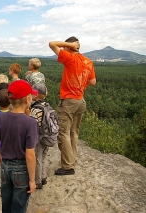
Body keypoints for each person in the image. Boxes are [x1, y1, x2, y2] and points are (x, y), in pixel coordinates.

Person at [49, 36, 96, 175]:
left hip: (69, 101)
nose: (62, 49)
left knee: (63, 133)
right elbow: (92, 82)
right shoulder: (88, 61)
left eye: (65, 47)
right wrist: (81, 82)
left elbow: (51, 44)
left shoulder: (70, 58)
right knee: (74, 132)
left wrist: (69, 45)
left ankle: (67, 166)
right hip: (81, 101)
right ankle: (71, 159)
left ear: (70, 47)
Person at [0, 80, 38, 213]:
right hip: (22, 169)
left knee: (6, 203)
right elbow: (30, 155)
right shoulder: (30, 123)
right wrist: (33, 180)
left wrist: (0, 160)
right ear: (27, 99)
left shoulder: (0, 118)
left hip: (5, 165)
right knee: (19, 206)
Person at [29, 83, 49, 189]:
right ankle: (43, 176)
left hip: (39, 138)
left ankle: (38, 181)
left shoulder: (36, 109)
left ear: (35, 95)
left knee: (37, 159)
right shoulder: (47, 106)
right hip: (47, 137)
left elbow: (33, 125)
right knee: (43, 158)